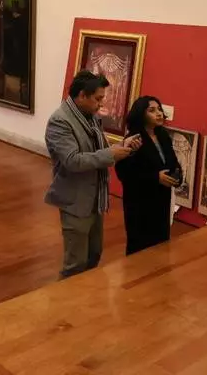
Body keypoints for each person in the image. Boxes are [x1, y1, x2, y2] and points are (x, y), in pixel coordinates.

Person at [44, 71, 141, 278]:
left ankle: (86, 295)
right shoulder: (60, 121)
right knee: (75, 265)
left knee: (94, 254)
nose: (101, 103)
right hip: (75, 200)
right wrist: (110, 154)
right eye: (98, 98)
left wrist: (123, 146)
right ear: (82, 95)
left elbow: (99, 150)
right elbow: (73, 161)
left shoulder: (91, 117)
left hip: (95, 199)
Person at [114, 96, 181, 255]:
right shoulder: (134, 139)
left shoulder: (163, 136)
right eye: (152, 110)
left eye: (159, 109)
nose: (159, 113)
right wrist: (155, 177)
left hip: (161, 200)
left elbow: (173, 162)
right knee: (140, 248)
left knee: (161, 246)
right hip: (140, 203)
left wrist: (177, 176)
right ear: (141, 114)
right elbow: (125, 173)